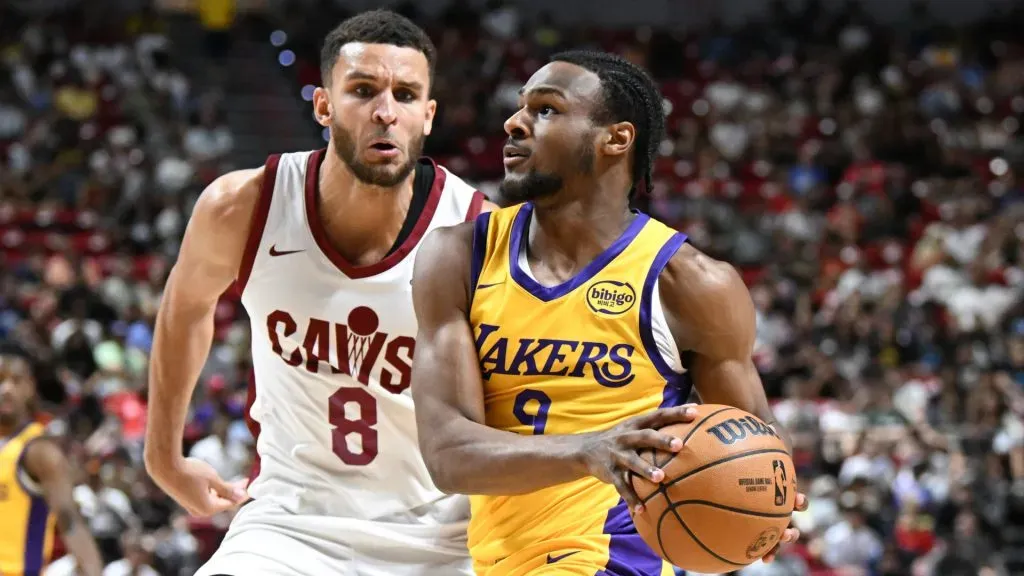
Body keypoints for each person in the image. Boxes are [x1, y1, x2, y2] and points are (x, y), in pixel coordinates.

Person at [410, 50, 809, 575]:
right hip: (498, 561)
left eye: (547, 109)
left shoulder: (690, 283)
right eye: (519, 107)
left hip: (616, 560)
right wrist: (587, 451)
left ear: (616, 139)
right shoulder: (458, 257)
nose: (514, 122)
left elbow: (754, 448)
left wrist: (761, 508)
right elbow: (447, 455)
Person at [143, 10, 493, 576]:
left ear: (428, 117)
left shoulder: (479, 233)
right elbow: (185, 309)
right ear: (323, 106)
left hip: (446, 535)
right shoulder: (243, 206)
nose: (386, 112)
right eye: (363, 90)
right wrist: (163, 455)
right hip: (289, 524)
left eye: (406, 96)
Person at [0, 342, 104, 576]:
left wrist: (93, 571)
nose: (6, 388)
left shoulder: (39, 451)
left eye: (15, 381)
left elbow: (70, 521)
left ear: (29, 388)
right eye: (0, 380)